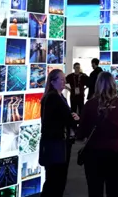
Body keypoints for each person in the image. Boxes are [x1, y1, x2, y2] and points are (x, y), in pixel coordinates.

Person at [77, 72, 118, 197]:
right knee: (115, 190)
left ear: (97, 85)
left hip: (94, 153)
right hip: (116, 153)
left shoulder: (90, 104)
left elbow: (81, 132)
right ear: (113, 85)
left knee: (94, 190)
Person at [40, 69, 79, 197]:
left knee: (56, 179)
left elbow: (67, 115)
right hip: (56, 144)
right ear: (53, 82)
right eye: (61, 79)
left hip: (57, 143)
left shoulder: (58, 97)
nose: (64, 82)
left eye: (64, 79)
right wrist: (74, 118)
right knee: (55, 179)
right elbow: (66, 117)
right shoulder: (54, 98)